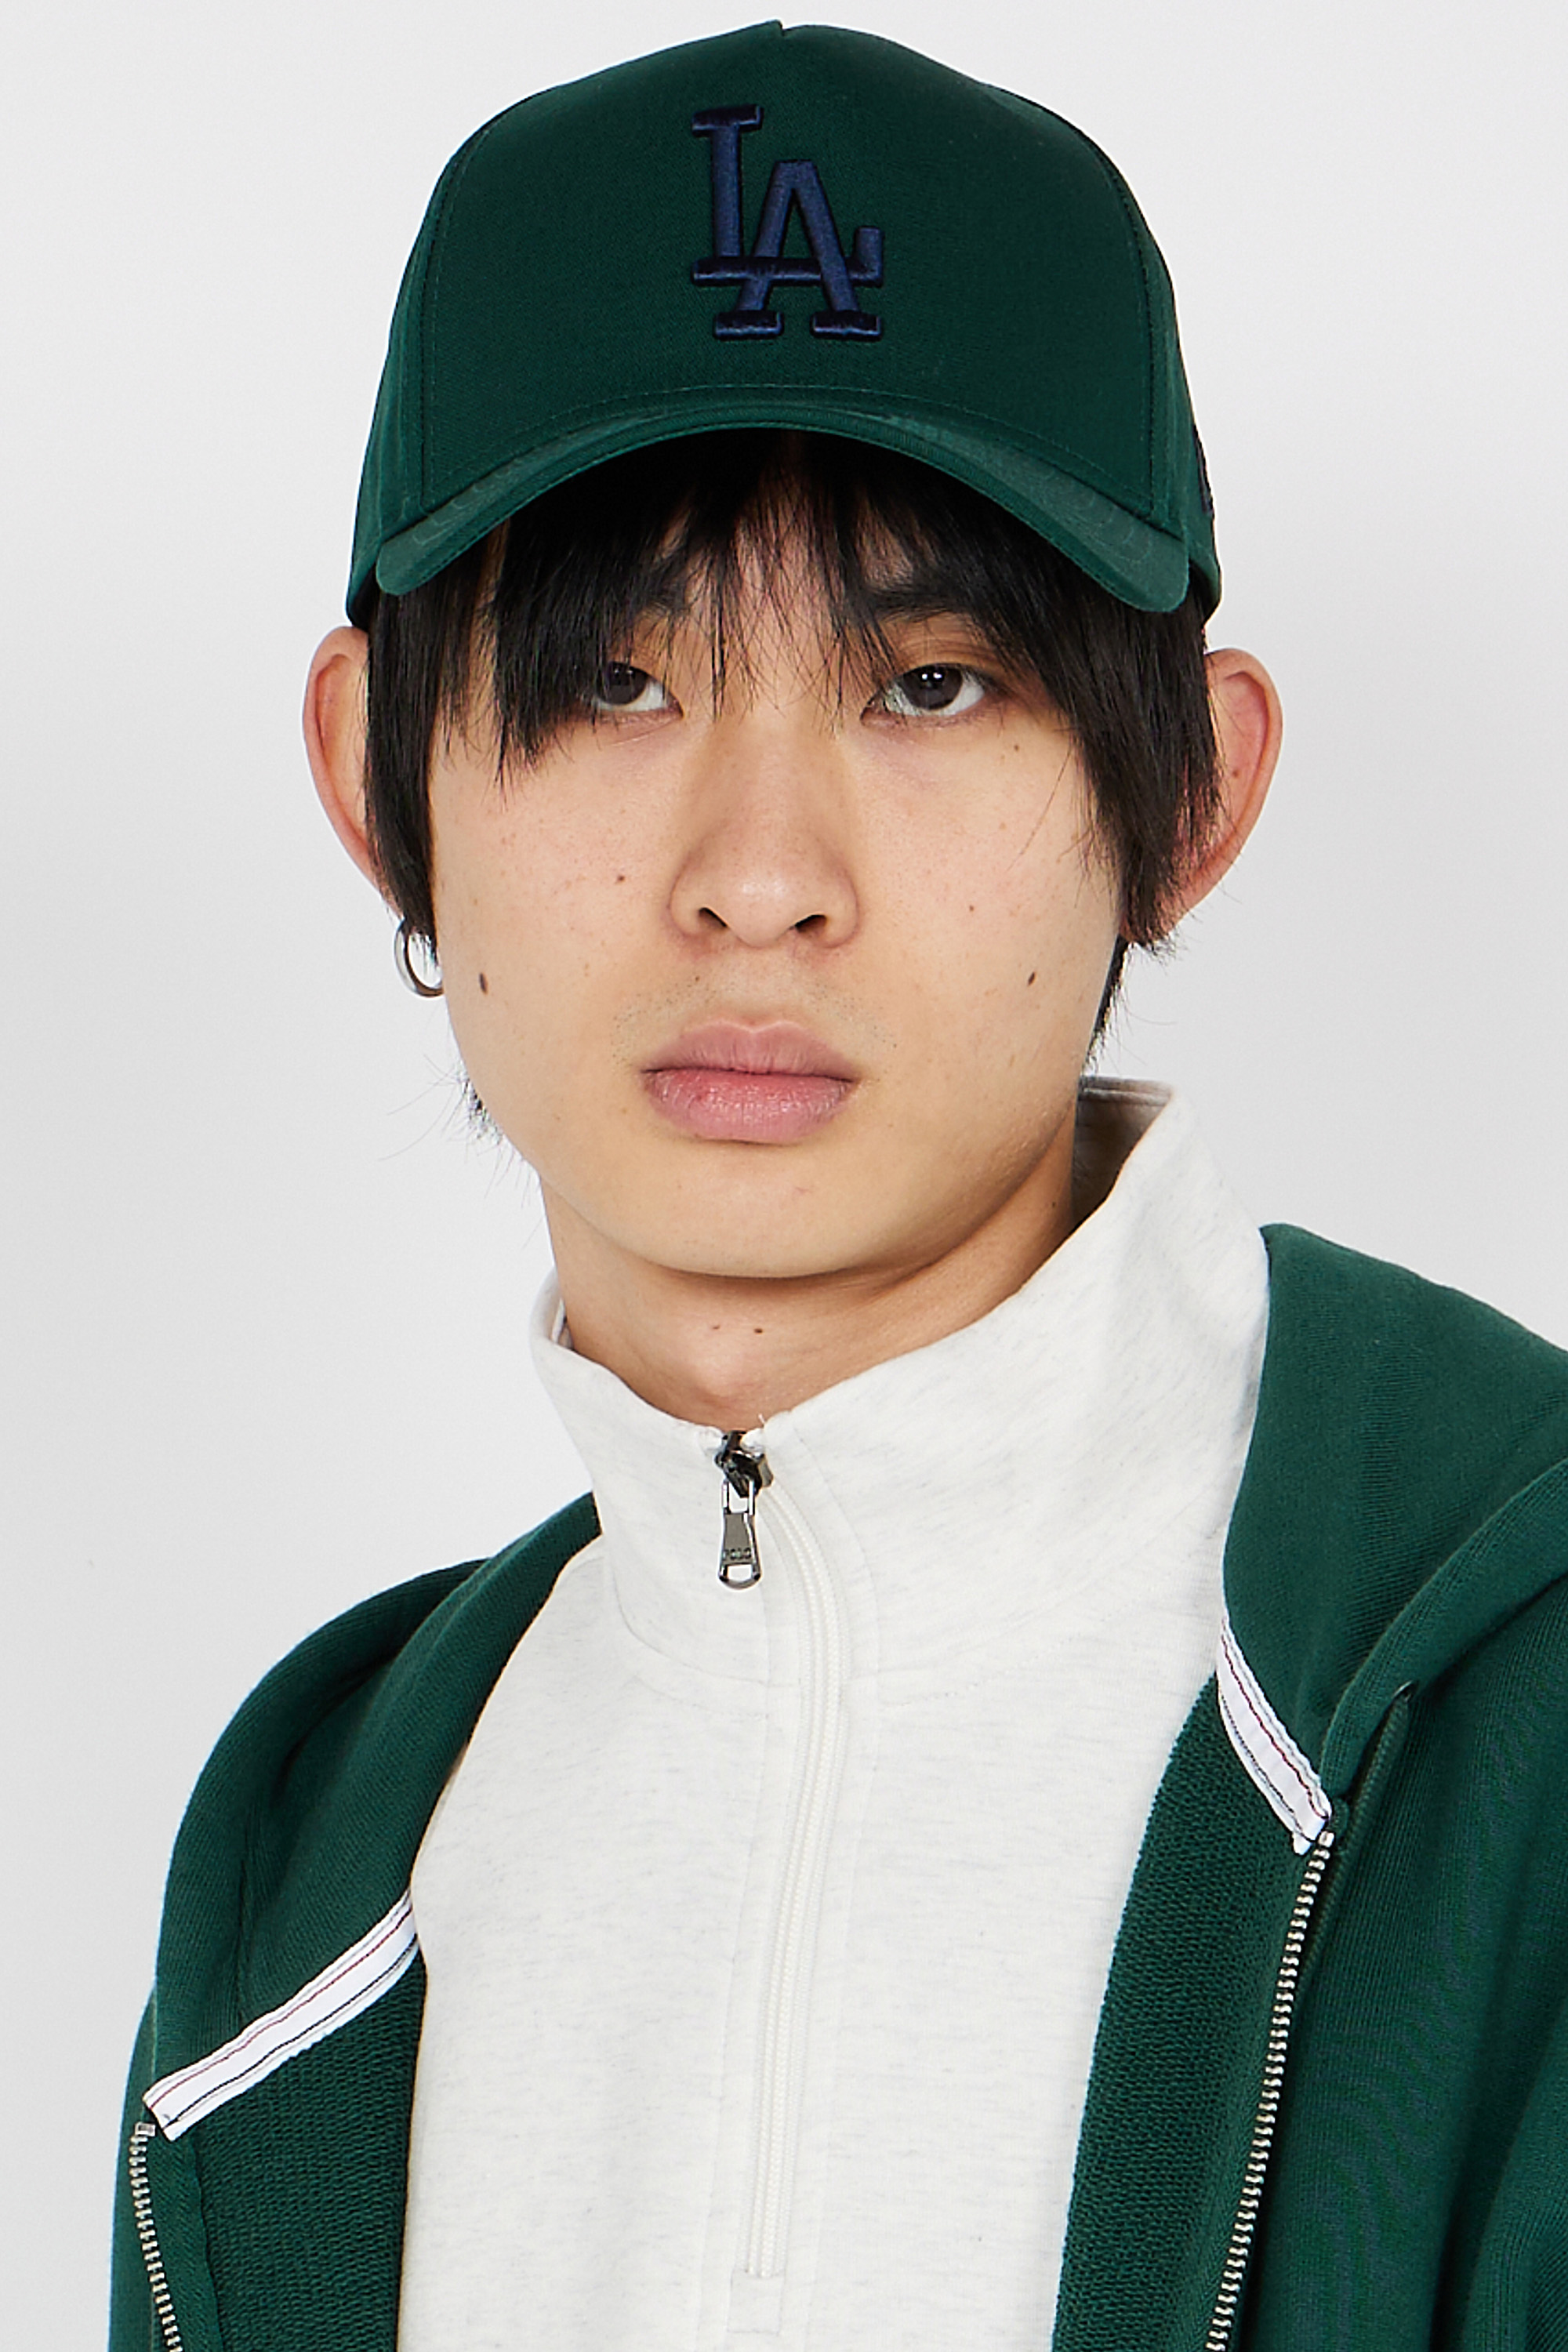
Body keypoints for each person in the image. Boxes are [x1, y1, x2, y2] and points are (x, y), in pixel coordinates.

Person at [110, 23, 1568, 2351]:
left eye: (933, 686)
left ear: (1191, 795)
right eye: (612, 681)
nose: (761, 876)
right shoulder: (315, 1885)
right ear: (378, 783)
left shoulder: (1514, 1706)